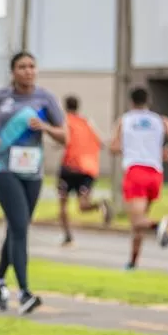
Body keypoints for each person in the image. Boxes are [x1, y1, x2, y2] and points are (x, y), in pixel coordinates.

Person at [0, 51, 67, 314]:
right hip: (3, 168)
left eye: (32, 66)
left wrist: (45, 127)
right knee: (19, 226)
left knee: (18, 227)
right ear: (13, 71)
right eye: (22, 66)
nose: (28, 71)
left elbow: (64, 137)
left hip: (32, 171)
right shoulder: (2, 97)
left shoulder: (45, 98)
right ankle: (25, 293)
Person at [109, 86, 168, 270]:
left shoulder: (125, 120)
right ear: (148, 101)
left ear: (131, 102)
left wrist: (128, 147)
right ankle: (133, 262)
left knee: (137, 221)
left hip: (135, 171)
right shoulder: (160, 120)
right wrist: (167, 150)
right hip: (155, 173)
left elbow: (114, 147)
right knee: (140, 222)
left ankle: (161, 226)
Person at [57, 94, 110, 245]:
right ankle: (99, 205)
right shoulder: (87, 122)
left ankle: (67, 236)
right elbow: (101, 142)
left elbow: (62, 139)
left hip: (70, 167)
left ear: (65, 107)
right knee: (83, 205)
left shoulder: (65, 121)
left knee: (63, 204)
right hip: (89, 169)